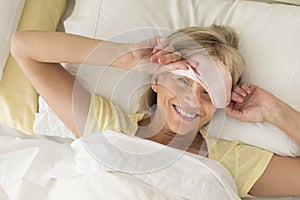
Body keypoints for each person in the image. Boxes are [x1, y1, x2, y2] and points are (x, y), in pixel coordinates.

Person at [11, 24, 300, 198]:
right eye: (183, 81)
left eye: (208, 94)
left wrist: (276, 112)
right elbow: (22, 47)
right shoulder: (109, 127)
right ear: (157, 78)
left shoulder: (229, 160)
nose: (192, 100)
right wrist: (123, 57)